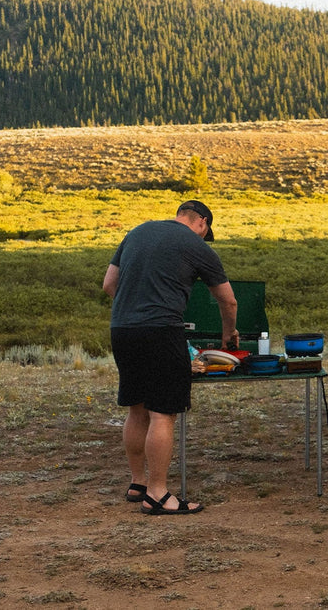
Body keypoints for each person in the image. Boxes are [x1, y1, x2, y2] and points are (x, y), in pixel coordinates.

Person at [102, 200, 238, 515]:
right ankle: (158, 495)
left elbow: (109, 284)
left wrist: (137, 305)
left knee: (137, 409)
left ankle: (138, 483)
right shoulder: (197, 245)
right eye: (205, 232)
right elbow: (228, 301)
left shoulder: (137, 232)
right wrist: (228, 333)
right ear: (202, 222)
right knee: (163, 414)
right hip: (161, 332)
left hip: (122, 329)